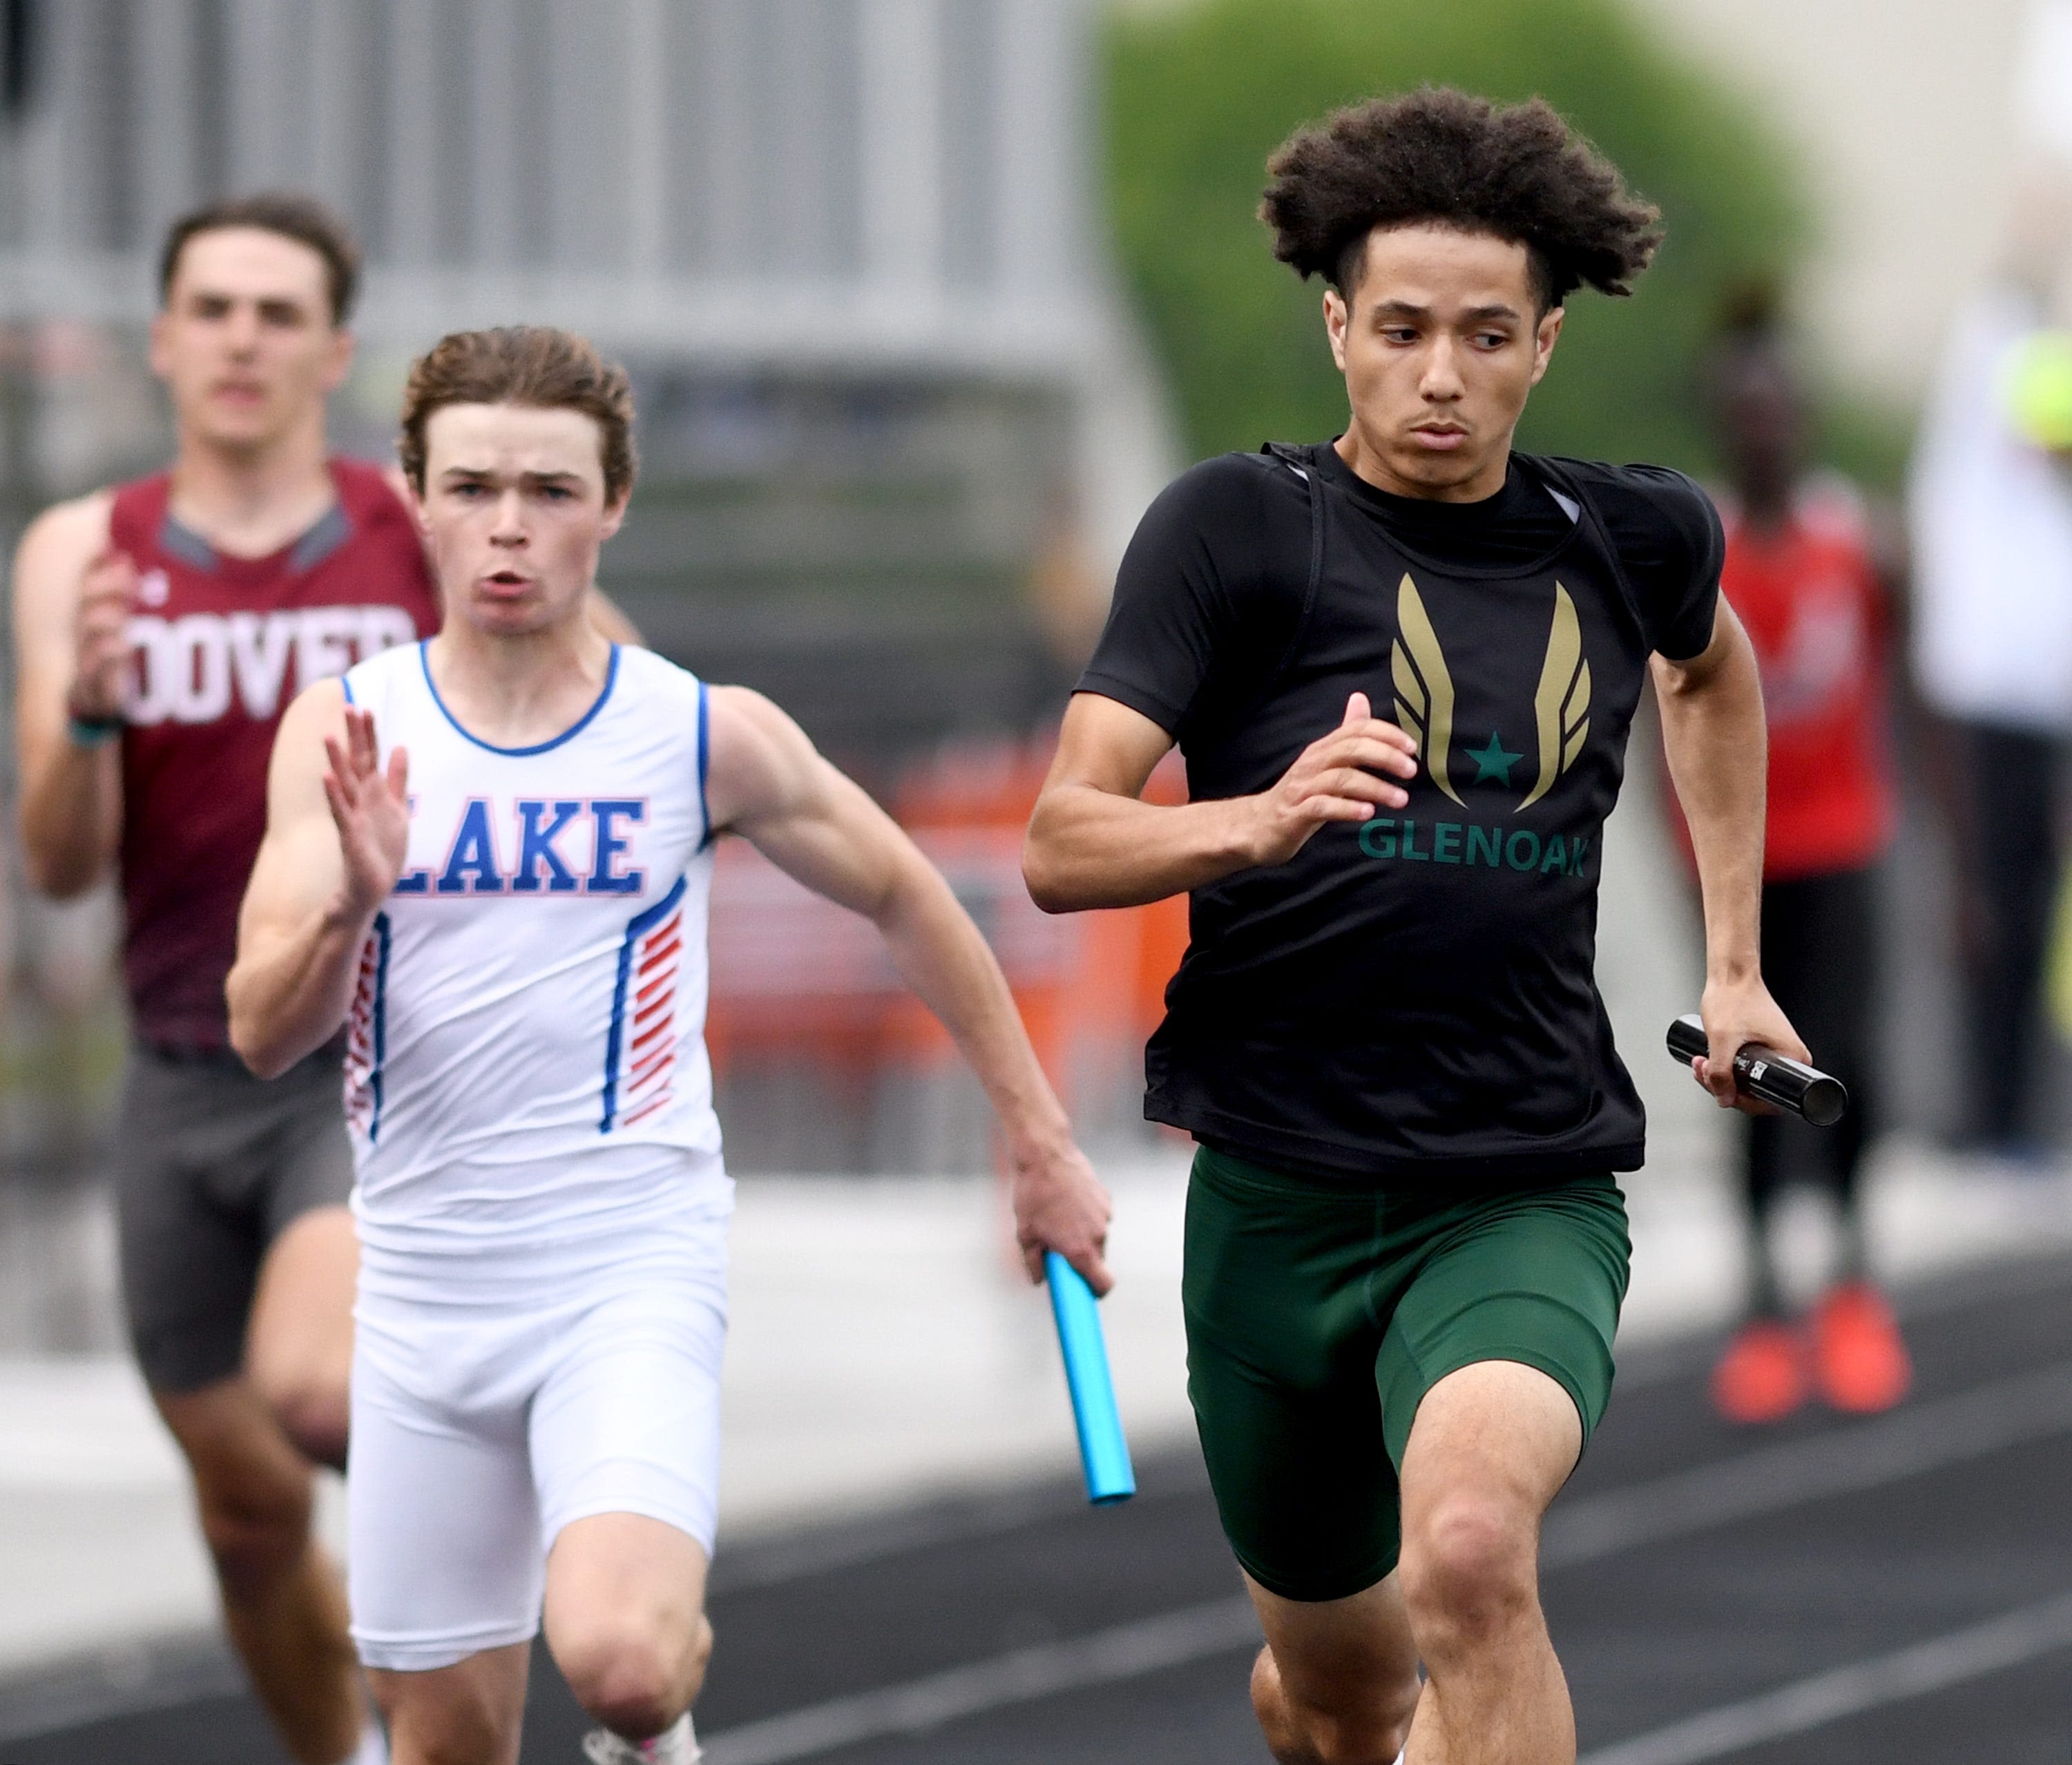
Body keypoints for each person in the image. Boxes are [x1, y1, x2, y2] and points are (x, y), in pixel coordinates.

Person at [1024, 90, 1803, 1765]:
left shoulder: (1632, 532)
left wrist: (1734, 967)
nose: (1438, 374)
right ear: (1336, 326)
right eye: (1398, 330)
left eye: (1483, 334)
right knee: (1342, 1701)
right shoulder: (1238, 528)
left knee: (1466, 1557)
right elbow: (1060, 841)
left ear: (1545, 344)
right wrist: (1261, 815)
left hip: (1516, 1181)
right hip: (1276, 1198)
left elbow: (1712, 671)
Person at [226, 325, 1113, 1765]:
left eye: (551, 491)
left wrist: (1038, 1140)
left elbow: (906, 892)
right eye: (472, 487)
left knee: (622, 1663)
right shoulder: (343, 735)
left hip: (621, 1267)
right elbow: (262, 1030)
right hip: (425, 1285)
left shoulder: (699, 735)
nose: (509, 526)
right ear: (413, 495)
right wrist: (350, 896)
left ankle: (665, 1714)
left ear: (613, 505)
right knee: (448, 1741)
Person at [10, 193, 443, 1765]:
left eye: (278, 313)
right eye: (215, 309)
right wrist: (87, 717)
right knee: (248, 1505)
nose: (244, 340)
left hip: (362, 1060)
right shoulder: (83, 553)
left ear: (333, 348)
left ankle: (468, 1654)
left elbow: (601, 702)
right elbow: (56, 865)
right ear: (163, 338)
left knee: (317, 1389)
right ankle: (344, 1750)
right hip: (178, 1069)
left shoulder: (424, 526)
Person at [1698, 309, 1911, 1424]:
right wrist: (1683, 858)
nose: (1766, 432)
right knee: (1744, 1080)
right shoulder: (1704, 551)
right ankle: (1762, 1299)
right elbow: (1670, 714)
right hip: (1747, 861)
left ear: (1804, 421)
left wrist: (1942, 843)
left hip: (1847, 842)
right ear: (1728, 431)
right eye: (1747, 418)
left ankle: (1854, 1279)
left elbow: (1906, 687)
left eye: (1780, 413)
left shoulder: (1859, 543)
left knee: (1852, 1063)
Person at [1909, 170, 2072, 1162]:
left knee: (2044, 927)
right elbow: (2009, 308)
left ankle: (2028, 1115)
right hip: (1983, 701)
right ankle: (1984, 1113)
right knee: (1987, 913)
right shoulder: (1992, 367)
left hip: (2049, 706)